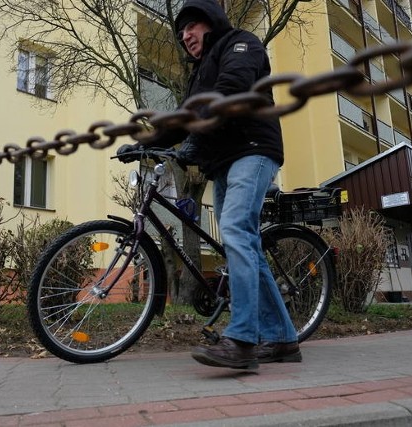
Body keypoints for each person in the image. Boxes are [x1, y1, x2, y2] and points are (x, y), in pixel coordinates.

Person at [118, 0, 301, 369]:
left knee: (234, 229)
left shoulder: (241, 44)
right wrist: (146, 144)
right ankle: (282, 339)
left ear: (213, 23)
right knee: (243, 240)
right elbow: (184, 118)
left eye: (193, 26)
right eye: (181, 31)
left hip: (254, 150)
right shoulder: (199, 73)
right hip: (223, 164)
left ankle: (243, 340)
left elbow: (232, 88)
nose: (185, 35)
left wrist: (193, 142)